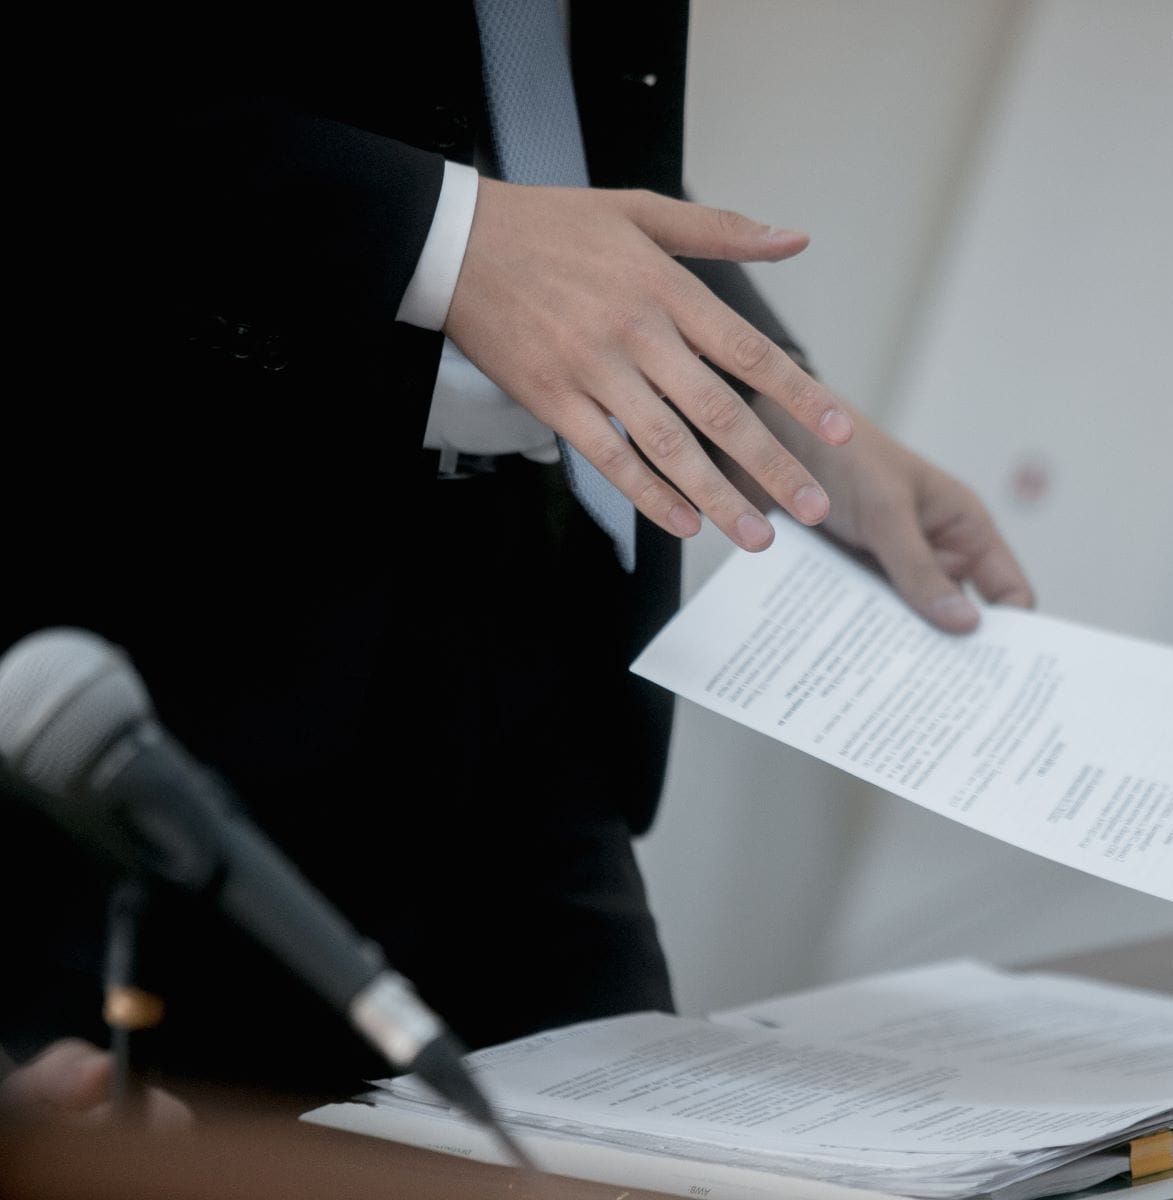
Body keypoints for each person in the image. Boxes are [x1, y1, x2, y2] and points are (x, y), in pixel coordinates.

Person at [1, 1, 1030, 1096]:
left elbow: (572, 163)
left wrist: (802, 421)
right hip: (171, 661)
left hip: (533, 661)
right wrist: (446, 235)